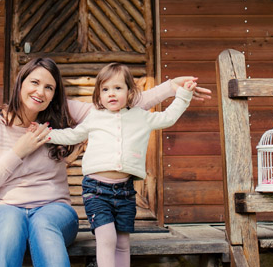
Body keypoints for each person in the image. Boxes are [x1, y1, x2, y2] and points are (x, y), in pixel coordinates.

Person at [0, 57, 210, 267]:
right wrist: (19, 151)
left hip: (52, 209)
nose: (40, 92)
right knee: (10, 222)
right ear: (20, 83)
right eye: (34, 83)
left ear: (55, 95)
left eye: (49, 88)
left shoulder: (63, 113)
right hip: (0, 212)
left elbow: (121, 107)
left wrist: (171, 88)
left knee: (44, 225)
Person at [46, 62, 195, 267]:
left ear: (130, 92)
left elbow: (168, 118)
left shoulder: (141, 116)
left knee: (123, 242)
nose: (111, 94)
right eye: (105, 89)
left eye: (118, 88)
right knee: (107, 238)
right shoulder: (95, 117)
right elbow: (72, 135)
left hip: (125, 191)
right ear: (98, 95)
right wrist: (46, 134)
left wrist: (183, 95)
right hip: (96, 190)